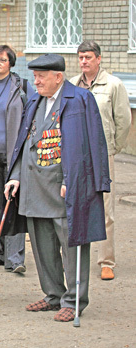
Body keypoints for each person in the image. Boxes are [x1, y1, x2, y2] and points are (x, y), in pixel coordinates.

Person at [4, 54, 110, 322]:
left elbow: (92, 144)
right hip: (33, 186)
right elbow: (24, 142)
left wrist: (77, 181)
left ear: (58, 77)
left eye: (41, 76)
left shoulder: (80, 100)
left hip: (65, 189)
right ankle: (53, 295)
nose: (35, 81)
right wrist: (15, 175)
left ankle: (74, 301)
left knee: (72, 245)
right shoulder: (35, 100)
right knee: (42, 247)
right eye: (35, 75)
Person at [70, 41, 131, 281]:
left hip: (102, 156)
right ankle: (75, 258)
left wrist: (112, 149)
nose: (84, 61)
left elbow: (123, 120)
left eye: (88, 57)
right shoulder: (73, 84)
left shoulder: (113, 84)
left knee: (105, 209)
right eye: (81, 57)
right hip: (76, 155)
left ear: (99, 58)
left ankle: (106, 261)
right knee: (75, 205)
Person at [0, 45, 35, 273]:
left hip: (14, 155)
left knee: (12, 205)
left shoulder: (22, 86)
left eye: (2, 59)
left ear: (11, 63)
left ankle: (15, 258)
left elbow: (34, 115)